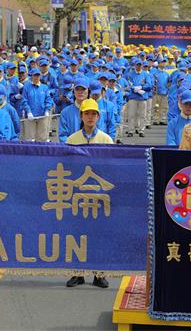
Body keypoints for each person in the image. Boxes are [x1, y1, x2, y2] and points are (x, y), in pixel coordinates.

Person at [65, 98, 112, 289]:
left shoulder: (106, 140)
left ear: (98, 117)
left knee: (99, 235)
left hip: (99, 197)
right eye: (87, 114)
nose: (90, 117)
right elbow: (66, 167)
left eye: (94, 114)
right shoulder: (72, 140)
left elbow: (111, 169)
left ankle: (100, 274)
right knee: (77, 234)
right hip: (78, 196)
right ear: (81, 116)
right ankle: (78, 273)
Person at [21, 68, 54, 142]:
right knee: (30, 139)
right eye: (35, 75)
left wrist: (47, 110)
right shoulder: (26, 87)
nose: (36, 77)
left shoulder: (44, 88)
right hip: (30, 116)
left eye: (38, 75)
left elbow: (48, 100)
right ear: (31, 76)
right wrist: (28, 111)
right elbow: (24, 100)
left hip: (42, 116)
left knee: (42, 138)